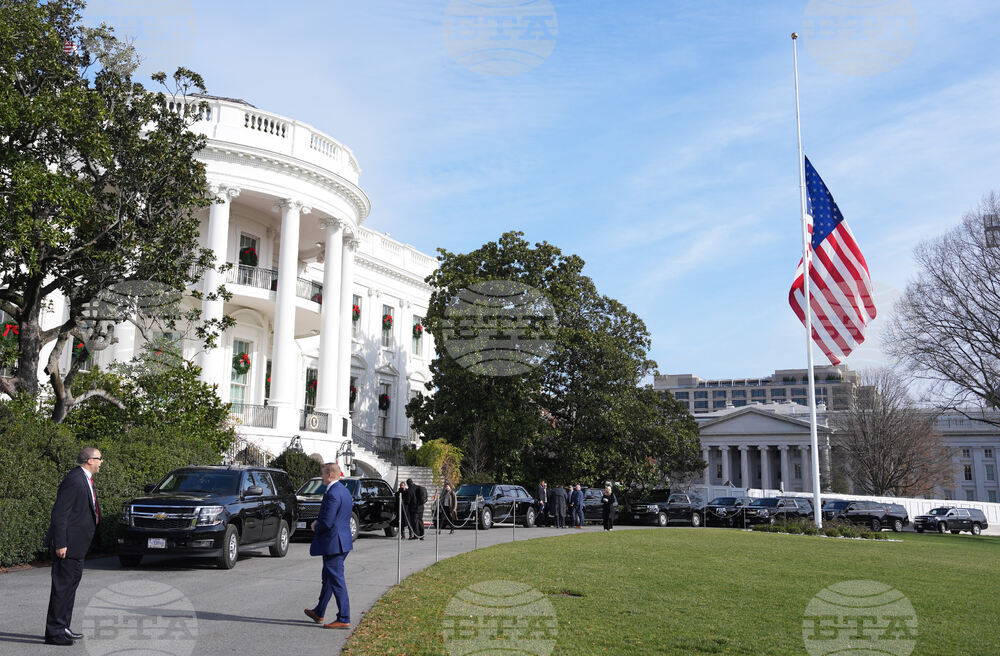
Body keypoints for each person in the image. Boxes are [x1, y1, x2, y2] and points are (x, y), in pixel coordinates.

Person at [44, 447, 103, 645]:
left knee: (69, 588)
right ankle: (54, 633)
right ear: (89, 460)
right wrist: (60, 543)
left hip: (78, 545)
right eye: (99, 458)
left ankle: (63, 627)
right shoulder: (74, 479)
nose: (101, 462)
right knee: (62, 588)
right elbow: (60, 514)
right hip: (67, 546)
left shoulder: (84, 479)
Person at [304, 462, 353, 629]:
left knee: (336, 580)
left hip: (334, 543)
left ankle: (344, 617)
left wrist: (315, 526)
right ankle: (319, 611)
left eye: (323, 474)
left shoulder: (332, 493)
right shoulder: (344, 490)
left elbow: (328, 521)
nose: (322, 477)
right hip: (343, 541)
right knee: (329, 578)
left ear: (330, 475)